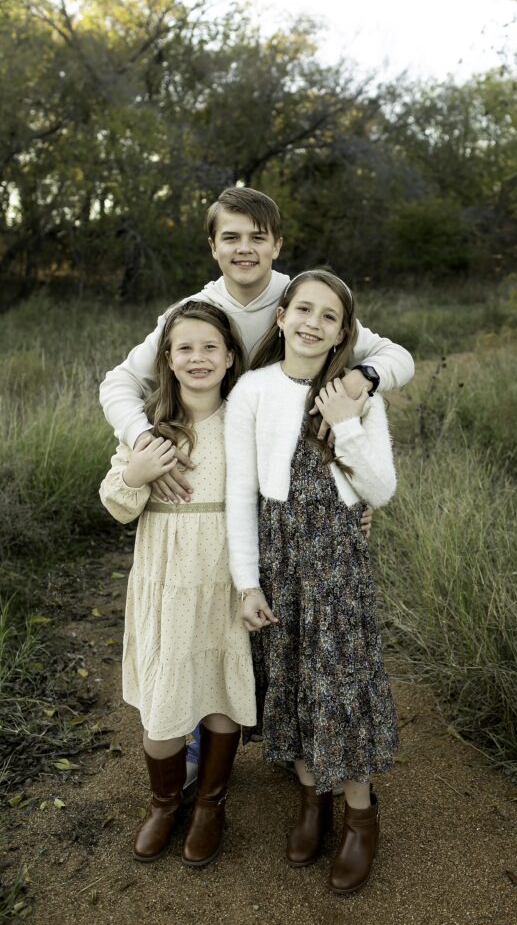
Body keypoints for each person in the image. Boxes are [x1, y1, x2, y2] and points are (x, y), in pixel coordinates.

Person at [99, 186, 414, 783]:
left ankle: (288, 739)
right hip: (216, 464)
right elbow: (119, 382)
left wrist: (364, 379)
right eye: (231, 237)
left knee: (280, 613)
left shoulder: (303, 300)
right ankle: (195, 741)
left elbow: (395, 355)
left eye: (257, 237)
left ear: (276, 243)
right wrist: (148, 442)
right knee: (204, 608)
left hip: (297, 486)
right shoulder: (189, 310)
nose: (244, 249)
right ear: (213, 246)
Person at [225, 269, 399, 895]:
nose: (312, 322)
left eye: (329, 316)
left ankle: (359, 815)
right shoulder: (252, 390)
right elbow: (240, 495)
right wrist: (248, 583)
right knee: (292, 675)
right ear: (281, 317)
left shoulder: (355, 392)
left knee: (342, 678)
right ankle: (311, 802)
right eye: (303, 309)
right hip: (278, 552)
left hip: (338, 557)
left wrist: (348, 421)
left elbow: (381, 489)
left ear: (342, 334)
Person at [99, 301, 255, 867]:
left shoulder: (245, 422)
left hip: (223, 579)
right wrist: (137, 476)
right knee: (164, 704)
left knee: (219, 693)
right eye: (185, 347)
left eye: (210, 347)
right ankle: (165, 802)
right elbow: (117, 505)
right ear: (167, 358)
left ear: (230, 356)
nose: (198, 358)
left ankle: (212, 803)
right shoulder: (150, 428)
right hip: (166, 582)